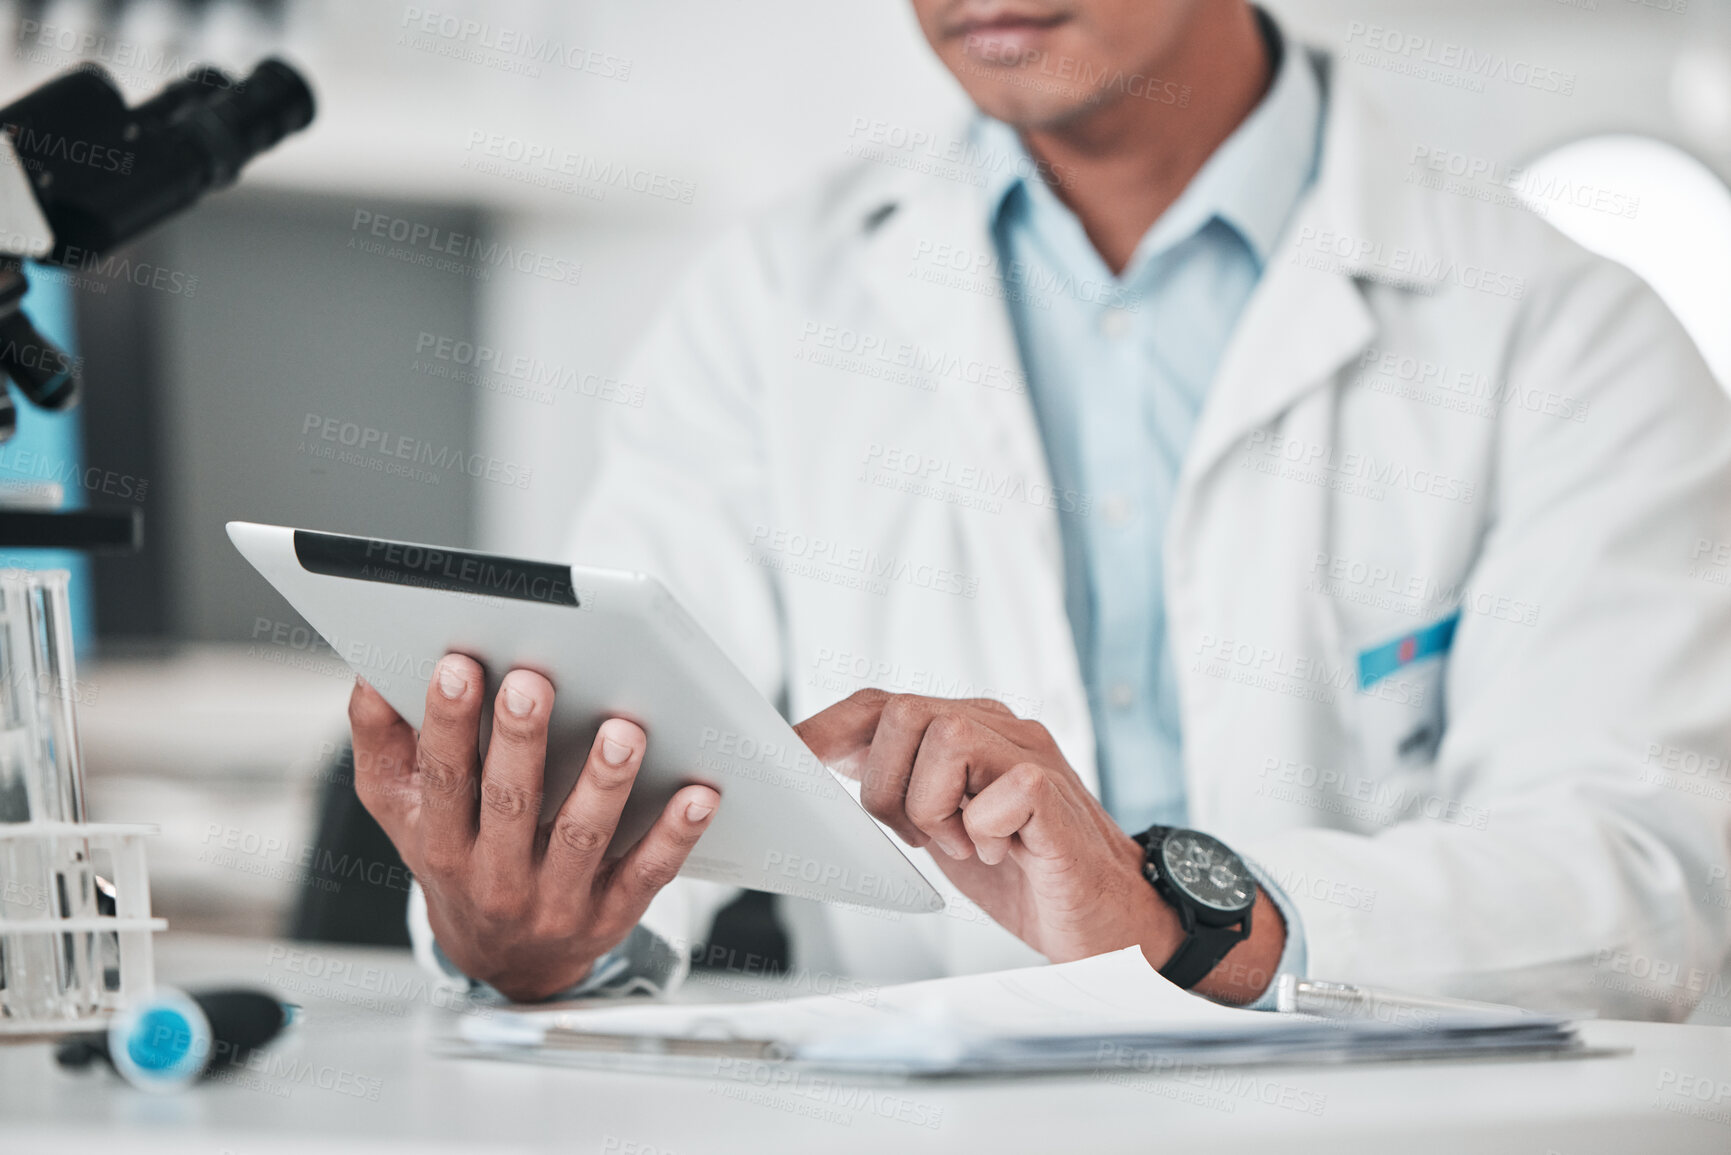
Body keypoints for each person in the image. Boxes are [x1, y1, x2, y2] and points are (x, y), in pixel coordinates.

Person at [348, 0, 1731, 1016]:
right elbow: (640, 760)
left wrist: (1188, 922)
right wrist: (540, 930)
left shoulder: (1569, 339)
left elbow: (1647, 885)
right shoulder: (772, 308)